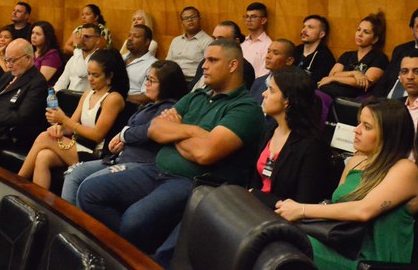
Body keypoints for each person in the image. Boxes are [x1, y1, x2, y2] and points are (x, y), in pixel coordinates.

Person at [76, 39, 265, 257]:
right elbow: (156, 128)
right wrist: (193, 132)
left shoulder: (245, 108)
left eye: (212, 60)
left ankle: (134, 256)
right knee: (90, 192)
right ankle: (135, 256)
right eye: (204, 60)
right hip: (155, 169)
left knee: (134, 221)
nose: (204, 66)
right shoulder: (197, 96)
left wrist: (175, 130)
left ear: (232, 66)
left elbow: (205, 154)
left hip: (194, 183)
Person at [275, 99, 418, 268]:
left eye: (367, 127)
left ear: (389, 135)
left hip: (369, 262)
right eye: (359, 123)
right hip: (340, 246)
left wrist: (302, 210)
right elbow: (336, 208)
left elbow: (363, 210)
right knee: (276, 233)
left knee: (286, 244)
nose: (356, 130)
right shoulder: (355, 161)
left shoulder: (405, 169)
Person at [61, 60, 188, 205]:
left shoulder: (169, 109)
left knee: (88, 185)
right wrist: (121, 143)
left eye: (151, 81)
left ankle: (81, 226)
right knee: (74, 174)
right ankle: (69, 223)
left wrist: (124, 135)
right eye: (147, 79)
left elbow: (148, 131)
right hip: (119, 158)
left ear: (166, 85)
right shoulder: (150, 105)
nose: (146, 84)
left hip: (140, 164)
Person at [18, 49, 129, 189]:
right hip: (80, 145)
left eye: (95, 75)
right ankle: (39, 205)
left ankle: (17, 182)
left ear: (109, 76)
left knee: (44, 137)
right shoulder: (88, 93)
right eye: (88, 74)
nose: (90, 79)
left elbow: (97, 135)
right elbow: (70, 128)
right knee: (43, 156)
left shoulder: (113, 98)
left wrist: (64, 119)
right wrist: (59, 128)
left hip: (98, 155)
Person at [250, 67, 335, 205]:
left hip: (282, 220)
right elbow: (256, 182)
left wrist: (259, 197)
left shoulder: (312, 145)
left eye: (271, 90)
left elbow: (305, 202)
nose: (264, 94)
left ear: (287, 100)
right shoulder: (270, 131)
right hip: (257, 208)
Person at [318, 12, 389, 100]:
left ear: (375, 39)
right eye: (358, 30)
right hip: (332, 91)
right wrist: (354, 73)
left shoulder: (380, 58)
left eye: (366, 32)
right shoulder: (347, 55)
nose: (360, 34)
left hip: (354, 97)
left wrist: (334, 79)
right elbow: (332, 74)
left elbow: (365, 82)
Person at [188, 21, 255, 91]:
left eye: (221, 39)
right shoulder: (205, 62)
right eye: (214, 38)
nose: (216, 43)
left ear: (236, 41)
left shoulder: (244, 68)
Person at [165, 6, 213, 81]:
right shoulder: (176, 40)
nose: (190, 20)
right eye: (186, 18)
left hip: (193, 80)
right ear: (182, 23)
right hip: (173, 79)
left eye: (193, 17)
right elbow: (168, 63)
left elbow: (209, 67)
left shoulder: (208, 41)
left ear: (199, 19)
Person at [54, 24, 103, 92]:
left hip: (87, 100)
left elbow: (81, 72)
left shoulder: (100, 58)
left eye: (86, 36)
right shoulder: (74, 58)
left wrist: (76, 47)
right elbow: (61, 83)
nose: (82, 40)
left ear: (97, 40)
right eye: (80, 36)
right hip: (69, 98)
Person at [249, 39, 296, 103]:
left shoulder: (294, 86)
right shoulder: (258, 82)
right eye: (268, 52)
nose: (268, 56)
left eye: (275, 53)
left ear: (289, 61)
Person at [293, 14, 336, 85]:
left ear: (321, 34)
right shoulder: (296, 50)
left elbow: (315, 84)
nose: (304, 30)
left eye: (310, 27)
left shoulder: (325, 57)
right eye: (303, 27)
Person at [124, 24, 157, 105]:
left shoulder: (153, 65)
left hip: (132, 106)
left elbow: (147, 97)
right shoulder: (121, 58)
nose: (130, 38)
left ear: (147, 42)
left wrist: (119, 97)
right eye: (129, 35)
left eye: (135, 36)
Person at [241, 2, 273, 78]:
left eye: (253, 16)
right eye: (247, 16)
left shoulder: (268, 45)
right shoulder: (242, 42)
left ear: (263, 20)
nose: (248, 20)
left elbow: (263, 77)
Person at [30, 21, 63, 86]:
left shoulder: (52, 55)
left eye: (38, 34)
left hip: (43, 92)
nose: (33, 36)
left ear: (47, 37)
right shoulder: (30, 52)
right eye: (32, 33)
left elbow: (41, 80)